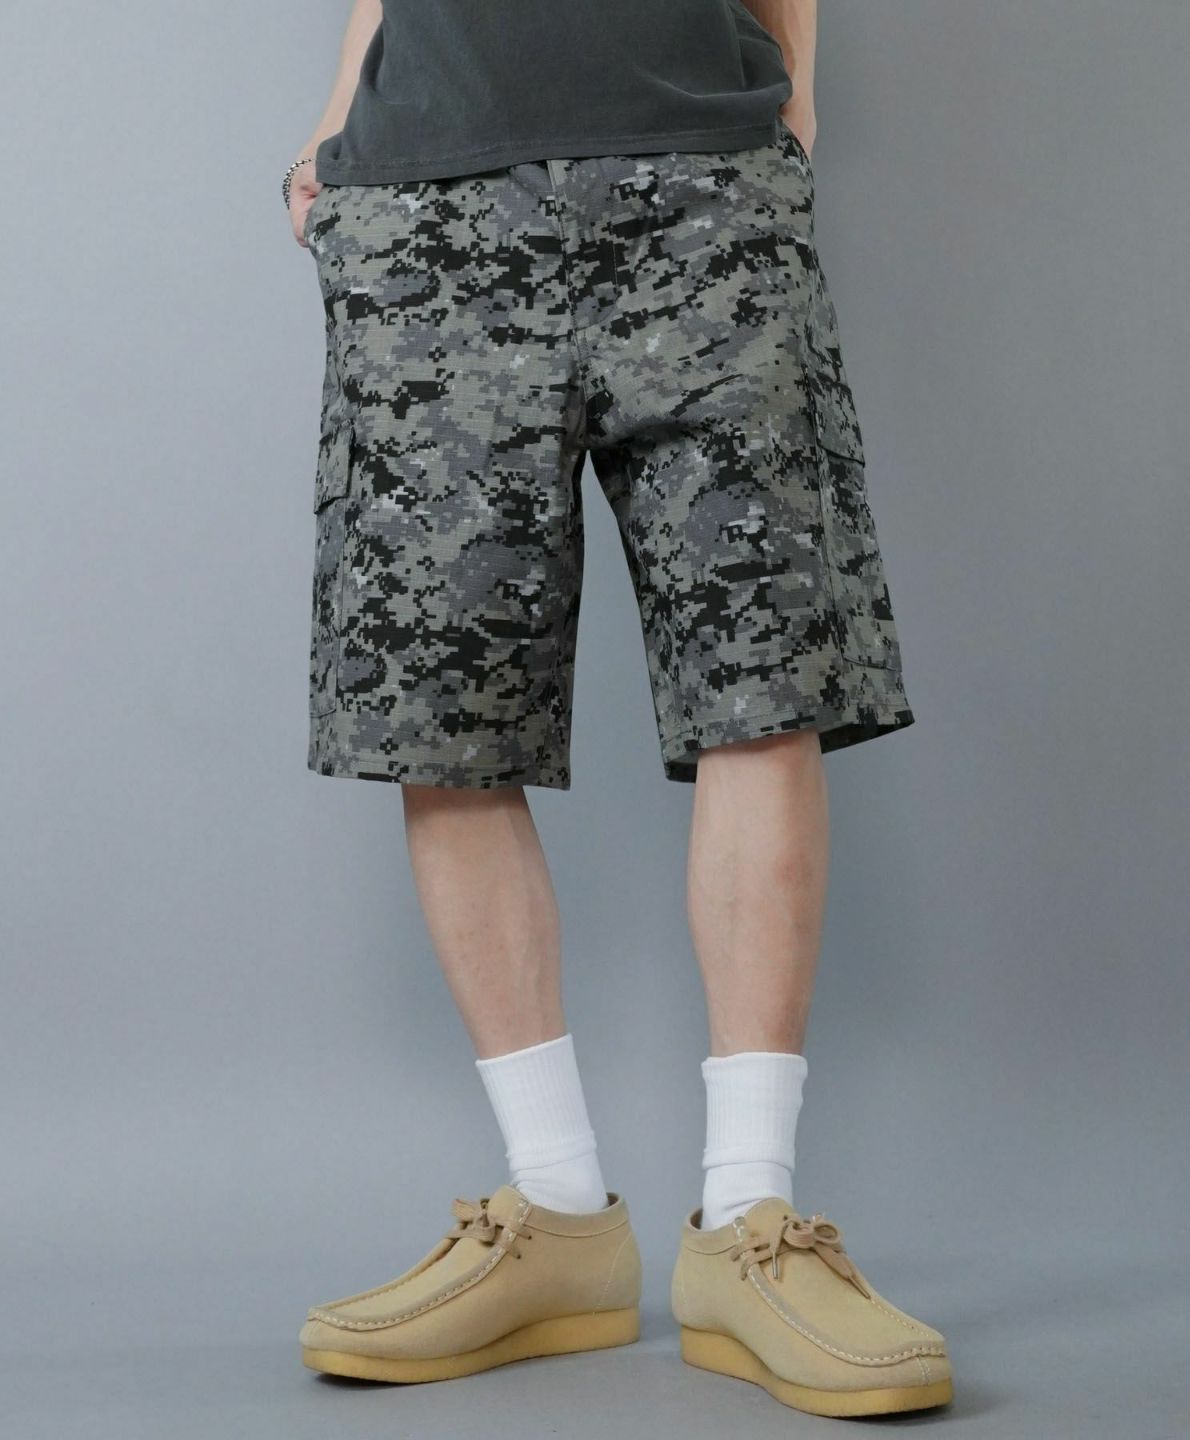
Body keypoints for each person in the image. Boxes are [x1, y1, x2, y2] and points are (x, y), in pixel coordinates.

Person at [284, 0, 952, 1417]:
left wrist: (790, 113)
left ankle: (751, 1219)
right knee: (446, 710)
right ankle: (557, 1211)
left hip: (705, 187)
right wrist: (341, 118)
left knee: (763, 688)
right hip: (427, 199)